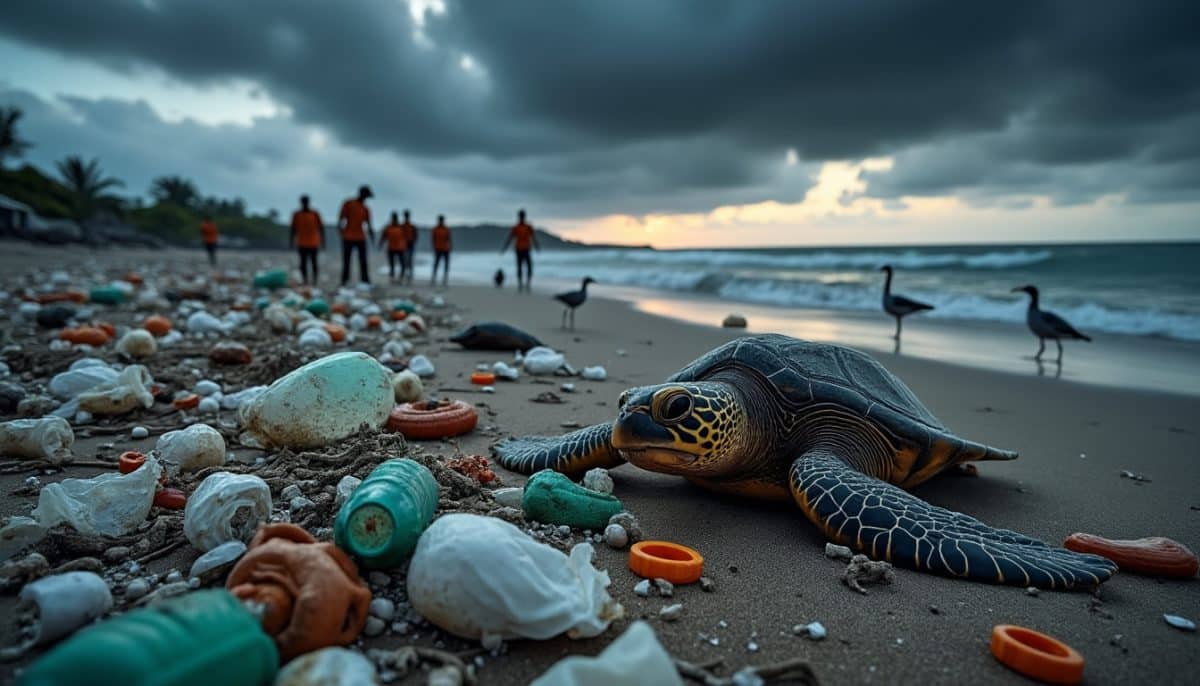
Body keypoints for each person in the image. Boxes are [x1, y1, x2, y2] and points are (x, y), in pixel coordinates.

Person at [338, 185, 375, 285]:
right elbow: (341, 218)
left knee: (363, 260)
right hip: (348, 236)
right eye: (366, 196)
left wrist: (372, 236)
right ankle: (344, 279)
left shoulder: (365, 208)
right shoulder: (349, 204)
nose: (366, 198)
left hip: (360, 237)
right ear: (361, 194)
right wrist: (340, 230)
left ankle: (365, 279)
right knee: (346, 260)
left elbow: (369, 224)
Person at [500, 208, 539, 291]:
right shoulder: (516, 227)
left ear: (524, 216)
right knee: (519, 267)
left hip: (527, 249)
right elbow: (510, 238)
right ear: (519, 217)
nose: (521, 217)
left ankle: (528, 284)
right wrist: (504, 248)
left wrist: (536, 246)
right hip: (518, 249)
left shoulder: (528, 227)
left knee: (529, 267)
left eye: (522, 216)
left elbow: (533, 237)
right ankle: (520, 284)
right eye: (521, 216)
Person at [290, 195, 324, 285]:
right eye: (303, 202)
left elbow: (321, 228)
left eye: (306, 202)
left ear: (308, 202)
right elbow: (293, 229)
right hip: (302, 243)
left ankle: (314, 281)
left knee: (314, 263)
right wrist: (291, 241)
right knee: (303, 263)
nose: (305, 204)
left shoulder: (315, 214)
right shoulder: (296, 214)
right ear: (301, 203)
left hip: (313, 242)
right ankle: (305, 280)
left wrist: (323, 241)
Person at [380, 211, 408, 283]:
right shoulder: (388, 227)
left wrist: (406, 245)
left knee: (402, 264)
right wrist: (381, 243)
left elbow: (406, 237)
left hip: (400, 248)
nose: (394, 219)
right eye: (393, 218)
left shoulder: (401, 227)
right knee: (392, 264)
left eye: (395, 218)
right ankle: (392, 277)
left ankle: (401, 277)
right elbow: (383, 236)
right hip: (391, 248)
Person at [431, 214, 451, 287]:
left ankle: (444, 279)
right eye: (440, 220)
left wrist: (450, 246)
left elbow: (449, 239)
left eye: (442, 220)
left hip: (445, 249)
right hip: (438, 248)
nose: (441, 221)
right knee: (436, 264)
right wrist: (434, 247)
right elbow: (433, 239)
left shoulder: (446, 229)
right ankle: (433, 278)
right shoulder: (435, 229)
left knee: (446, 264)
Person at [401, 209, 417, 285]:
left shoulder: (412, 226)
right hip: (403, 245)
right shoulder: (402, 226)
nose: (406, 217)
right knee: (404, 261)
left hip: (410, 244)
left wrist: (413, 241)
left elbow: (415, 235)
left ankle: (409, 276)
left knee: (409, 261)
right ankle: (405, 276)